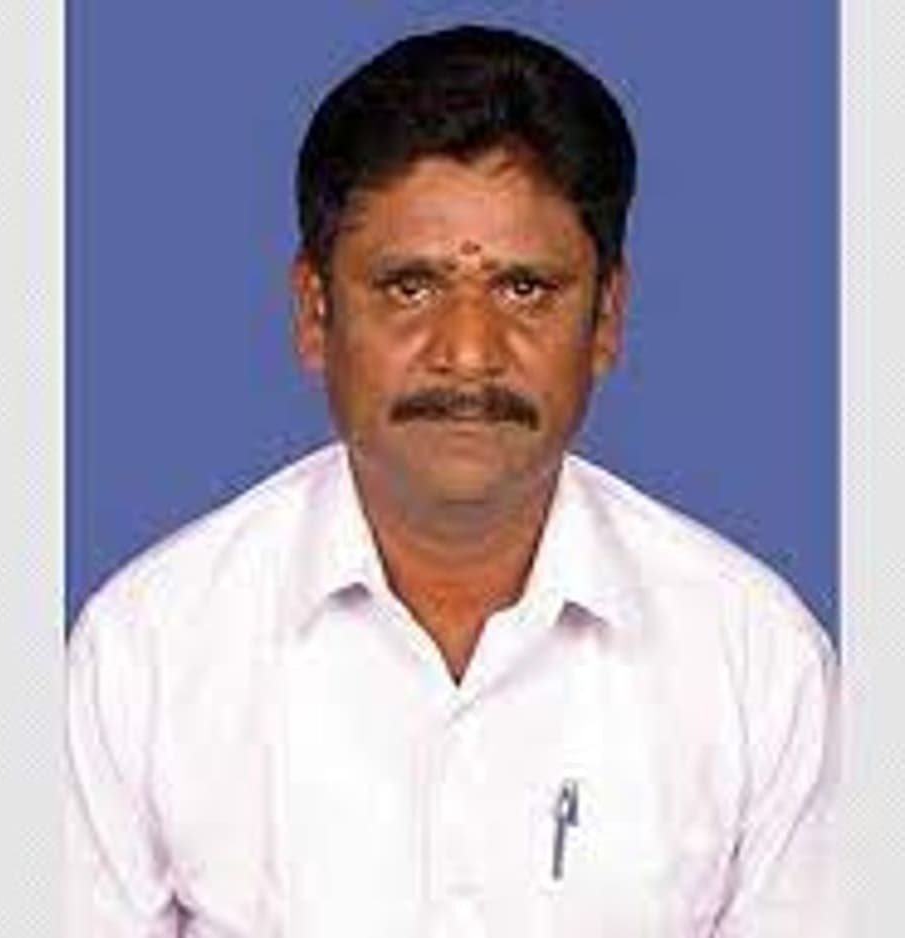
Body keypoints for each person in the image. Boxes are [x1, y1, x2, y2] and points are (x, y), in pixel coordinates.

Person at [66, 24, 839, 938]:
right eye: (410, 287)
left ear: (606, 319)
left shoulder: (756, 660)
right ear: (314, 313)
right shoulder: (148, 650)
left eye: (525, 289)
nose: (468, 353)